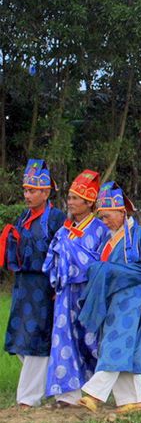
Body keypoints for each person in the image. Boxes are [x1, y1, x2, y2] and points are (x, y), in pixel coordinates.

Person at [78, 182, 141, 413]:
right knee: (125, 347)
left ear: (122, 212)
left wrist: (112, 271)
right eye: (101, 217)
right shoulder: (109, 239)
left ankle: (94, 395)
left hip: (133, 300)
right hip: (113, 300)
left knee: (115, 343)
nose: (104, 222)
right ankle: (134, 400)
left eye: (107, 216)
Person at [2, 159, 66, 408]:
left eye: (32, 191)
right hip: (23, 285)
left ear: (46, 192)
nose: (27, 195)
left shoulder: (56, 218)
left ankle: (28, 399)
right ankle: (50, 385)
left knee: (36, 340)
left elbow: (64, 253)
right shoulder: (23, 216)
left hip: (44, 286)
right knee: (19, 338)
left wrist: (58, 285)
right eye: (26, 190)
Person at [43, 169, 108, 407]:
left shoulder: (100, 229)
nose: (70, 203)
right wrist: (57, 282)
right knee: (63, 341)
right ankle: (66, 395)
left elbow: (103, 262)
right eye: (69, 198)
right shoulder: (63, 231)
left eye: (75, 199)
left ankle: (91, 390)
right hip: (64, 294)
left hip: (88, 293)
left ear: (89, 203)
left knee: (89, 340)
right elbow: (51, 260)